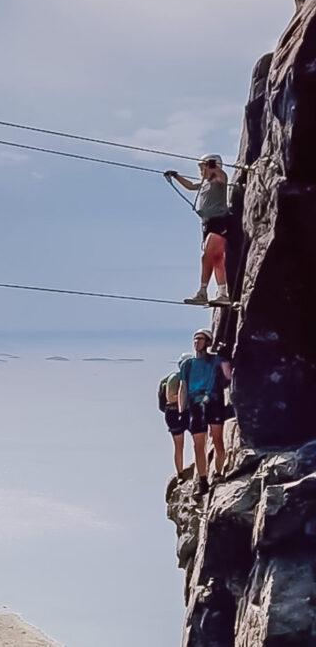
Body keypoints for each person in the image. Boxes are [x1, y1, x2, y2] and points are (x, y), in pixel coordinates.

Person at [165, 155, 232, 306]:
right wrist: (176, 176)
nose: (201, 170)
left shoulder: (219, 180)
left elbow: (221, 174)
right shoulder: (204, 183)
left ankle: (203, 291)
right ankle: (222, 293)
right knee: (216, 258)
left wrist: (213, 165)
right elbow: (189, 186)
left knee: (207, 255)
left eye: (203, 167)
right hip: (207, 224)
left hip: (219, 221)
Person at [178, 328, 232, 496]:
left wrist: (224, 356)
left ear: (208, 342)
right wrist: (181, 410)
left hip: (214, 402)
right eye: (195, 339)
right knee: (198, 445)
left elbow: (228, 376)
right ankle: (202, 480)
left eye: (200, 339)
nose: (197, 342)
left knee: (217, 440)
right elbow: (183, 388)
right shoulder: (188, 364)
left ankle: (218, 473)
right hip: (195, 404)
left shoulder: (215, 360)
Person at [158, 353, 193, 475]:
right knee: (179, 445)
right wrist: (186, 395)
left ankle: (199, 467)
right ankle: (180, 473)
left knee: (199, 439)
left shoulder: (193, 378)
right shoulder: (175, 378)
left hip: (189, 412)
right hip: (174, 413)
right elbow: (170, 397)